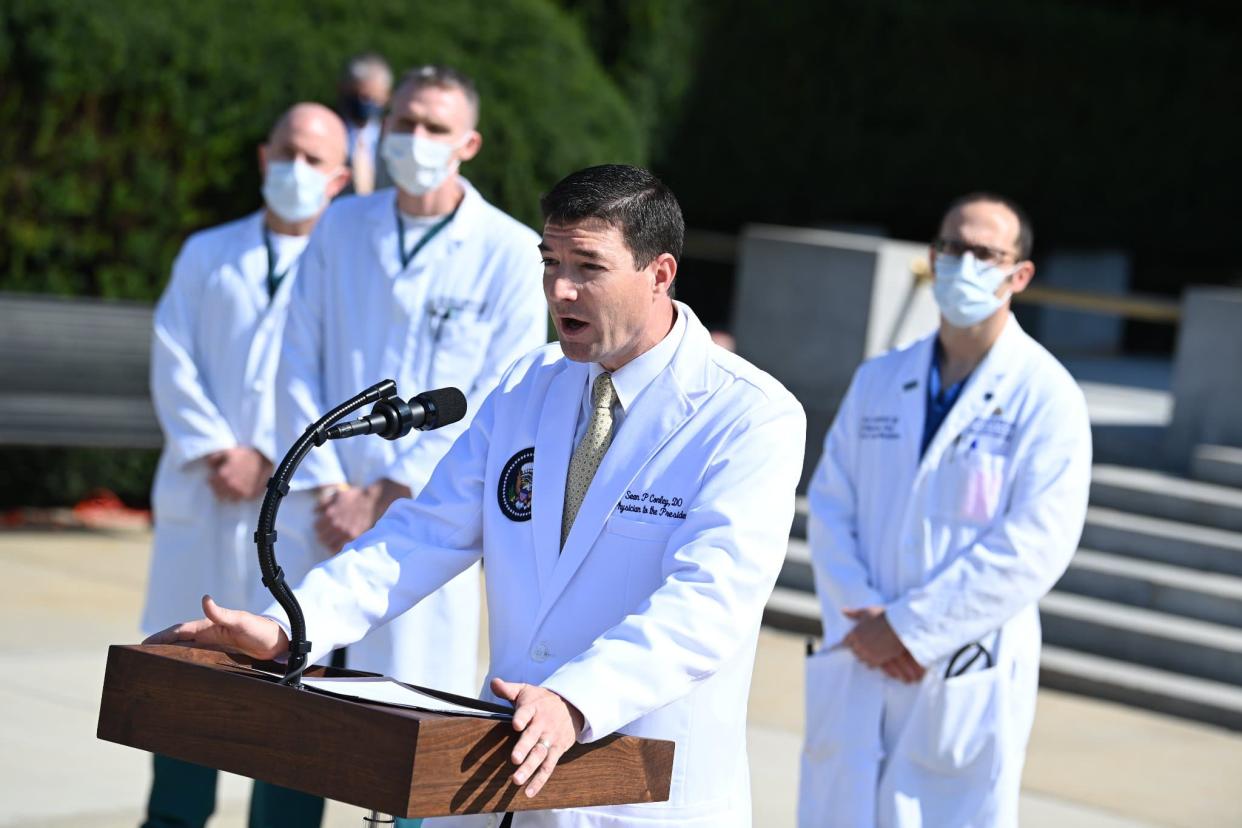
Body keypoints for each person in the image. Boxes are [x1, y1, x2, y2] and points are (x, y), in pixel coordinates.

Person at [147, 164, 807, 827]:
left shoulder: (750, 416)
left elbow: (707, 604)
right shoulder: (530, 383)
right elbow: (425, 532)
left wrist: (577, 698)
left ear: (659, 273)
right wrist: (294, 623)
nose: (560, 289)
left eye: (588, 267)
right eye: (550, 262)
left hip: (637, 793)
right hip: (501, 781)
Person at [797, 194, 1092, 826]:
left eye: (985, 253)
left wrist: (909, 628)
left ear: (1019, 275)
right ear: (932, 258)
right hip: (859, 656)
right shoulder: (880, 378)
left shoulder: (1047, 396)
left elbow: (1036, 542)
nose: (964, 264)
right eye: (952, 248)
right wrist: (862, 621)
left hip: (960, 669)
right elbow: (829, 504)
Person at [272, 63, 546, 696]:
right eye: (404, 121)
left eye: (435, 126)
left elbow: (494, 398)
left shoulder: (509, 253)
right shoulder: (338, 227)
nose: (415, 138)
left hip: (423, 515)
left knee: (400, 718)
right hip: (321, 508)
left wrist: (386, 493)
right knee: (289, 707)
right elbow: (294, 361)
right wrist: (326, 485)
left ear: (468, 144)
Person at [140, 103, 350, 828]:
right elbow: (173, 356)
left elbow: (341, 382)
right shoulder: (207, 252)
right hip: (207, 494)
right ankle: (172, 818)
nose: (297, 168)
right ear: (264, 159)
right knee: (186, 679)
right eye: (287, 151)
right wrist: (216, 447)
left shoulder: (347, 272)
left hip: (293, 512)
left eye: (316, 158)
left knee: (292, 688)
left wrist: (268, 451)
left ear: (342, 177)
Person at [337, 52, 392, 195]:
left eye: (370, 97)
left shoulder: (393, 138)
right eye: (356, 95)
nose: (363, 103)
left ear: (385, 96)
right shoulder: (327, 133)